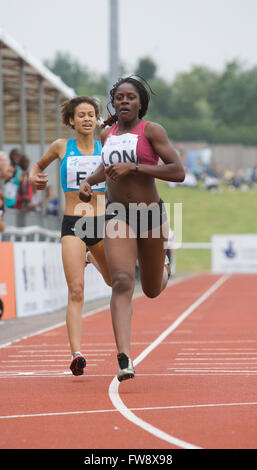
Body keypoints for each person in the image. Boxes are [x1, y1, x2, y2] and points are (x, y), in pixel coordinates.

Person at [79, 76, 185, 381]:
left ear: (141, 103)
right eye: (120, 97)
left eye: (131, 97)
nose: (125, 102)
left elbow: (178, 171)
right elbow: (104, 169)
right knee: (123, 281)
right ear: (114, 102)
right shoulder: (105, 134)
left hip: (149, 214)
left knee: (151, 289)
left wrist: (136, 167)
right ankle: (124, 356)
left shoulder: (151, 131)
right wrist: (89, 183)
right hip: (118, 214)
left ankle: (164, 265)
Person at [29, 96, 112, 376]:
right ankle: (76, 353)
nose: (87, 119)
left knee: (114, 280)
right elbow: (37, 167)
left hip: (101, 223)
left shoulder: (106, 147)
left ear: (97, 119)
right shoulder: (61, 147)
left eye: (92, 114)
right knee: (76, 290)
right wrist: (34, 177)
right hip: (73, 223)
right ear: (71, 121)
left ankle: (92, 255)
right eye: (82, 115)